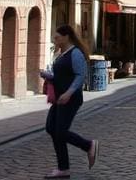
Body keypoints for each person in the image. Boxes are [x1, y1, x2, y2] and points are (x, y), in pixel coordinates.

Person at [39, 25, 98, 178]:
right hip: (60, 98)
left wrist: (69, 92)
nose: (55, 40)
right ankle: (63, 168)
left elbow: (80, 76)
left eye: (57, 37)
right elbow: (61, 76)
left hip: (70, 98)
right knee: (51, 128)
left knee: (60, 131)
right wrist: (48, 75)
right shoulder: (61, 54)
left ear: (66, 37)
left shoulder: (75, 53)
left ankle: (88, 145)